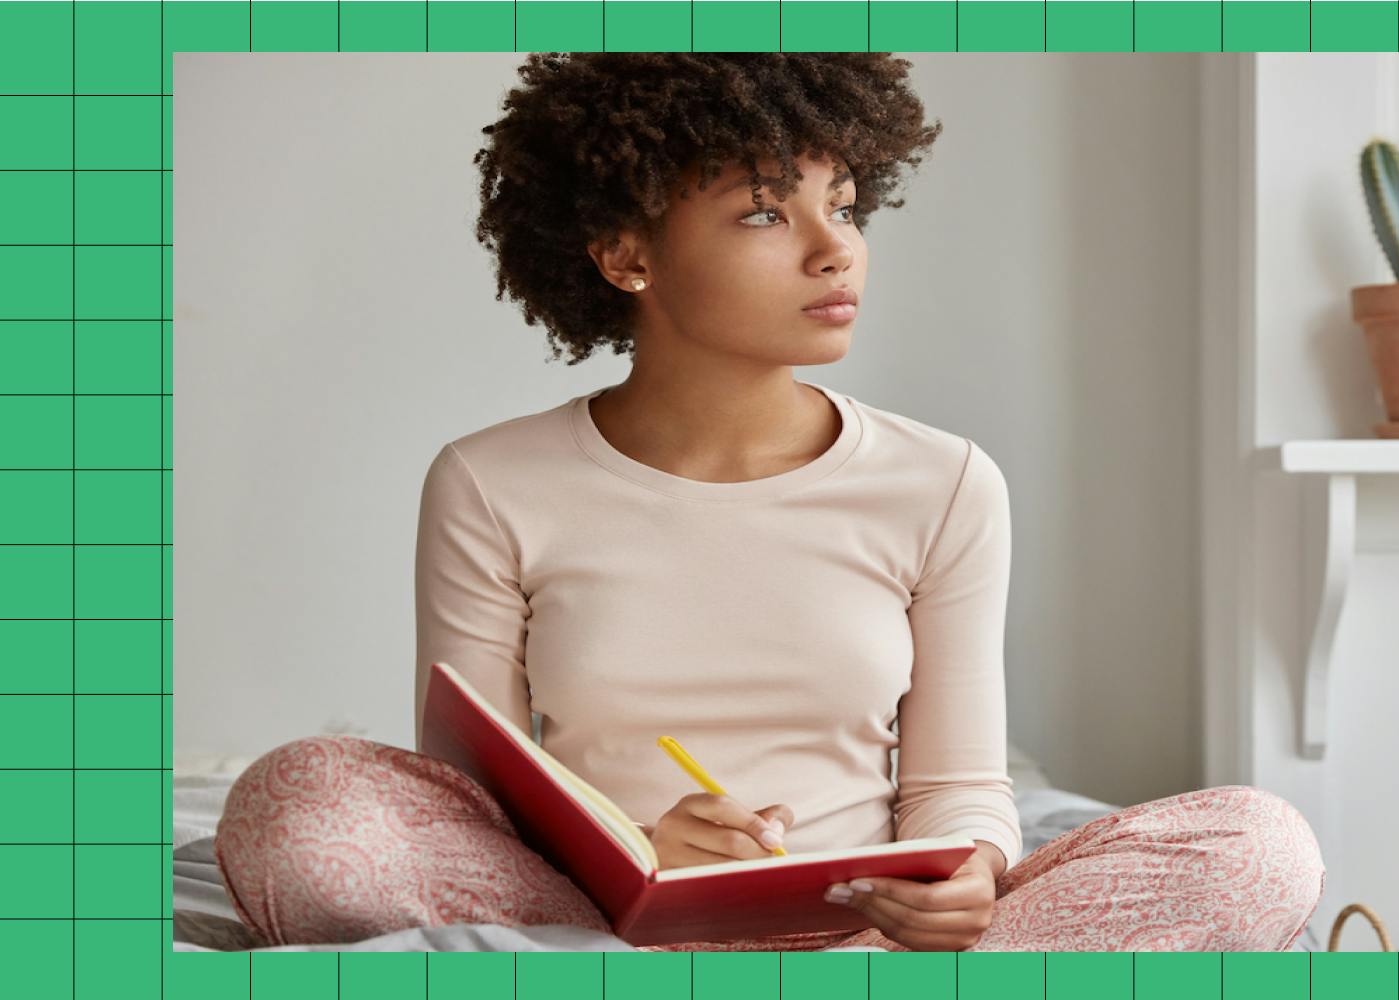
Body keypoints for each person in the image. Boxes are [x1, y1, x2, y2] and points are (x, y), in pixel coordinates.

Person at [214, 52, 1324, 952]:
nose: (833, 246)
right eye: (762, 213)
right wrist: (645, 846)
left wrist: (967, 875)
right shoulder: (489, 481)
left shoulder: (943, 483)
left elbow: (954, 786)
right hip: (594, 916)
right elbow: (471, 798)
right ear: (622, 250)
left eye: (842, 203)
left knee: (1258, 846)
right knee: (298, 804)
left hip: (863, 934)